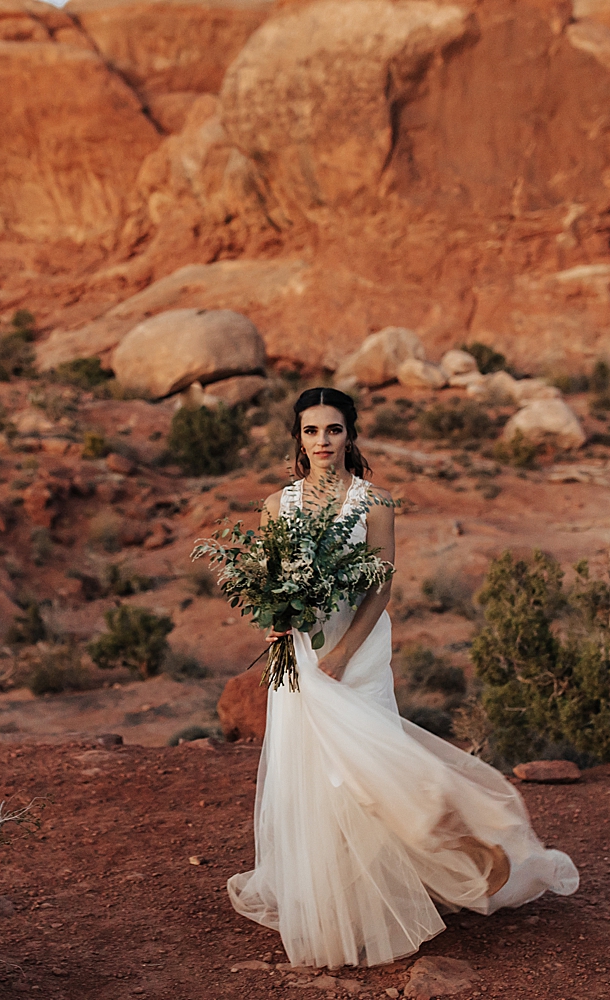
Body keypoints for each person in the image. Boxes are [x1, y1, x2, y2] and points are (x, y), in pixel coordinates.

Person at [227, 386, 579, 969]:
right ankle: (330, 903)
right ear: (298, 436)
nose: (322, 442)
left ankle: (455, 854)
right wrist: (274, 621)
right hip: (298, 654)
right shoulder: (275, 505)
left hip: (356, 652)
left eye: (333, 430)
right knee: (309, 773)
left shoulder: (375, 503)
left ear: (350, 434)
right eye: (311, 431)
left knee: (369, 770)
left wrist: (341, 654)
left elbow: (381, 587)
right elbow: (273, 581)